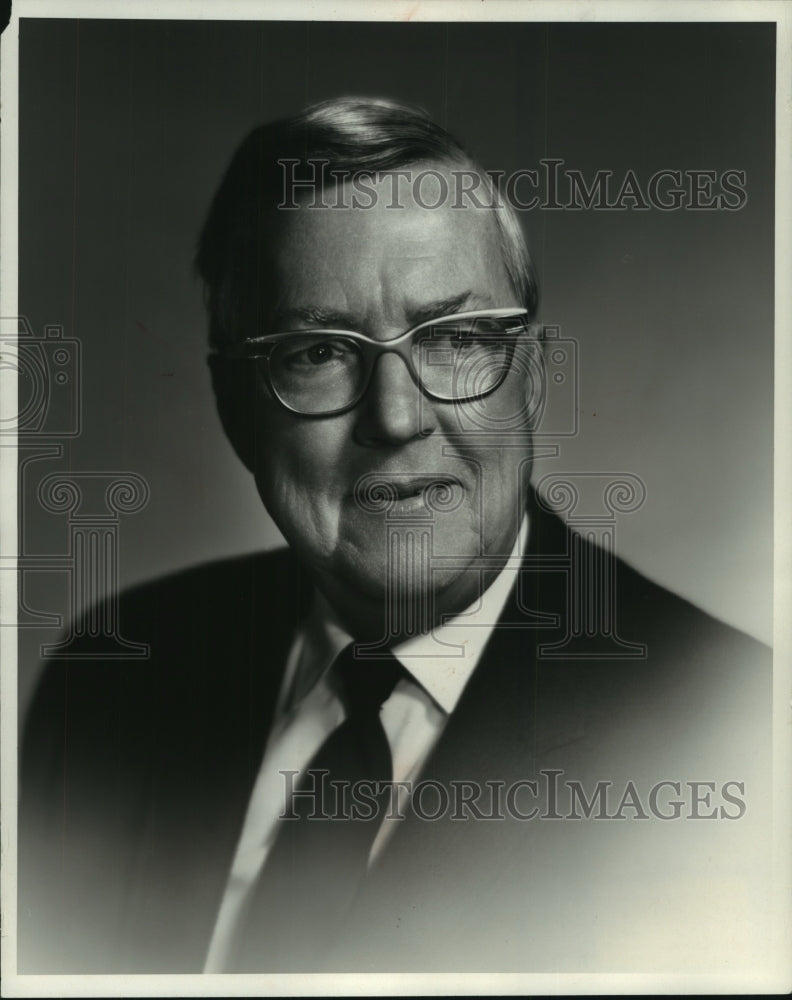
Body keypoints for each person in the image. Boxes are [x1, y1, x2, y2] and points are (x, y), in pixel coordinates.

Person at [19, 98, 772, 975]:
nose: (397, 416)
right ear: (235, 408)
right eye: (319, 352)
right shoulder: (110, 683)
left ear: (531, 379)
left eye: (453, 338)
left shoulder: (736, 736)